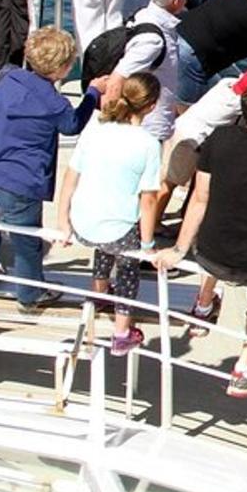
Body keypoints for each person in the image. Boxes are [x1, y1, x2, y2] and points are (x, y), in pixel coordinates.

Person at [154, 80, 247, 398]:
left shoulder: (219, 138)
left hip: (209, 252)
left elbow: (199, 199)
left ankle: (204, 301)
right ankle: (243, 365)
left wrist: (180, 249)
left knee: (221, 227)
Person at [0, 27, 103, 309]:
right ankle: (30, 294)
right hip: (21, 181)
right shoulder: (54, 102)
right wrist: (92, 93)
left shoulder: (6, 78)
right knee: (26, 241)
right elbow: (72, 125)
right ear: (63, 69)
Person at [56, 73, 161, 355]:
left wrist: (63, 221)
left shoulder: (95, 131)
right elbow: (149, 200)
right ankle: (122, 332)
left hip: (82, 224)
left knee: (105, 242)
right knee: (128, 266)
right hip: (116, 231)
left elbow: (70, 177)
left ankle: (99, 292)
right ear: (151, 106)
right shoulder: (149, 144)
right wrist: (148, 246)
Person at [153, 69, 247, 231]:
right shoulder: (236, 104)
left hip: (181, 129)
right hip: (190, 141)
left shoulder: (225, 83)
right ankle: (153, 223)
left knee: (172, 178)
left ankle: (177, 215)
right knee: (169, 184)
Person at [105, 0, 187, 142]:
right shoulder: (152, 40)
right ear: (177, 0)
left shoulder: (143, 15)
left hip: (152, 120)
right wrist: (109, 128)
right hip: (148, 128)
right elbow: (116, 80)